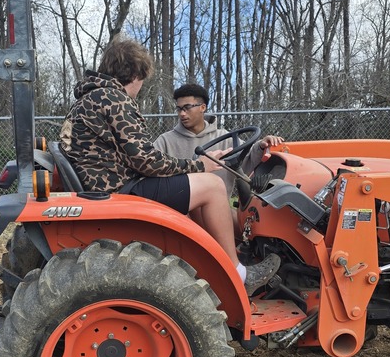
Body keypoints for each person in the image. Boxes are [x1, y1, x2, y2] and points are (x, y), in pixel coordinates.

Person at [60, 37, 279, 296]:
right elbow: (146, 160)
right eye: (141, 80)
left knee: (198, 192)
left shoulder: (89, 98)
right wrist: (199, 165)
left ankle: (212, 266)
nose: (140, 87)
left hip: (107, 184)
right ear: (133, 74)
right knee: (213, 186)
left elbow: (137, 157)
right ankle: (238, 272)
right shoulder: (114, 100)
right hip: (121, 188)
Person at [154, 83, 284, 195]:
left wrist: (261, 145)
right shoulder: (165, 141)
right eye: (179, 109)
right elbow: (151, 166)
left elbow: (247, 158)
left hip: (219, 207)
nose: (182, 113)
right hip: (180, 210)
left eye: (187, 108)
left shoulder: (224, 138)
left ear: (202, 107)